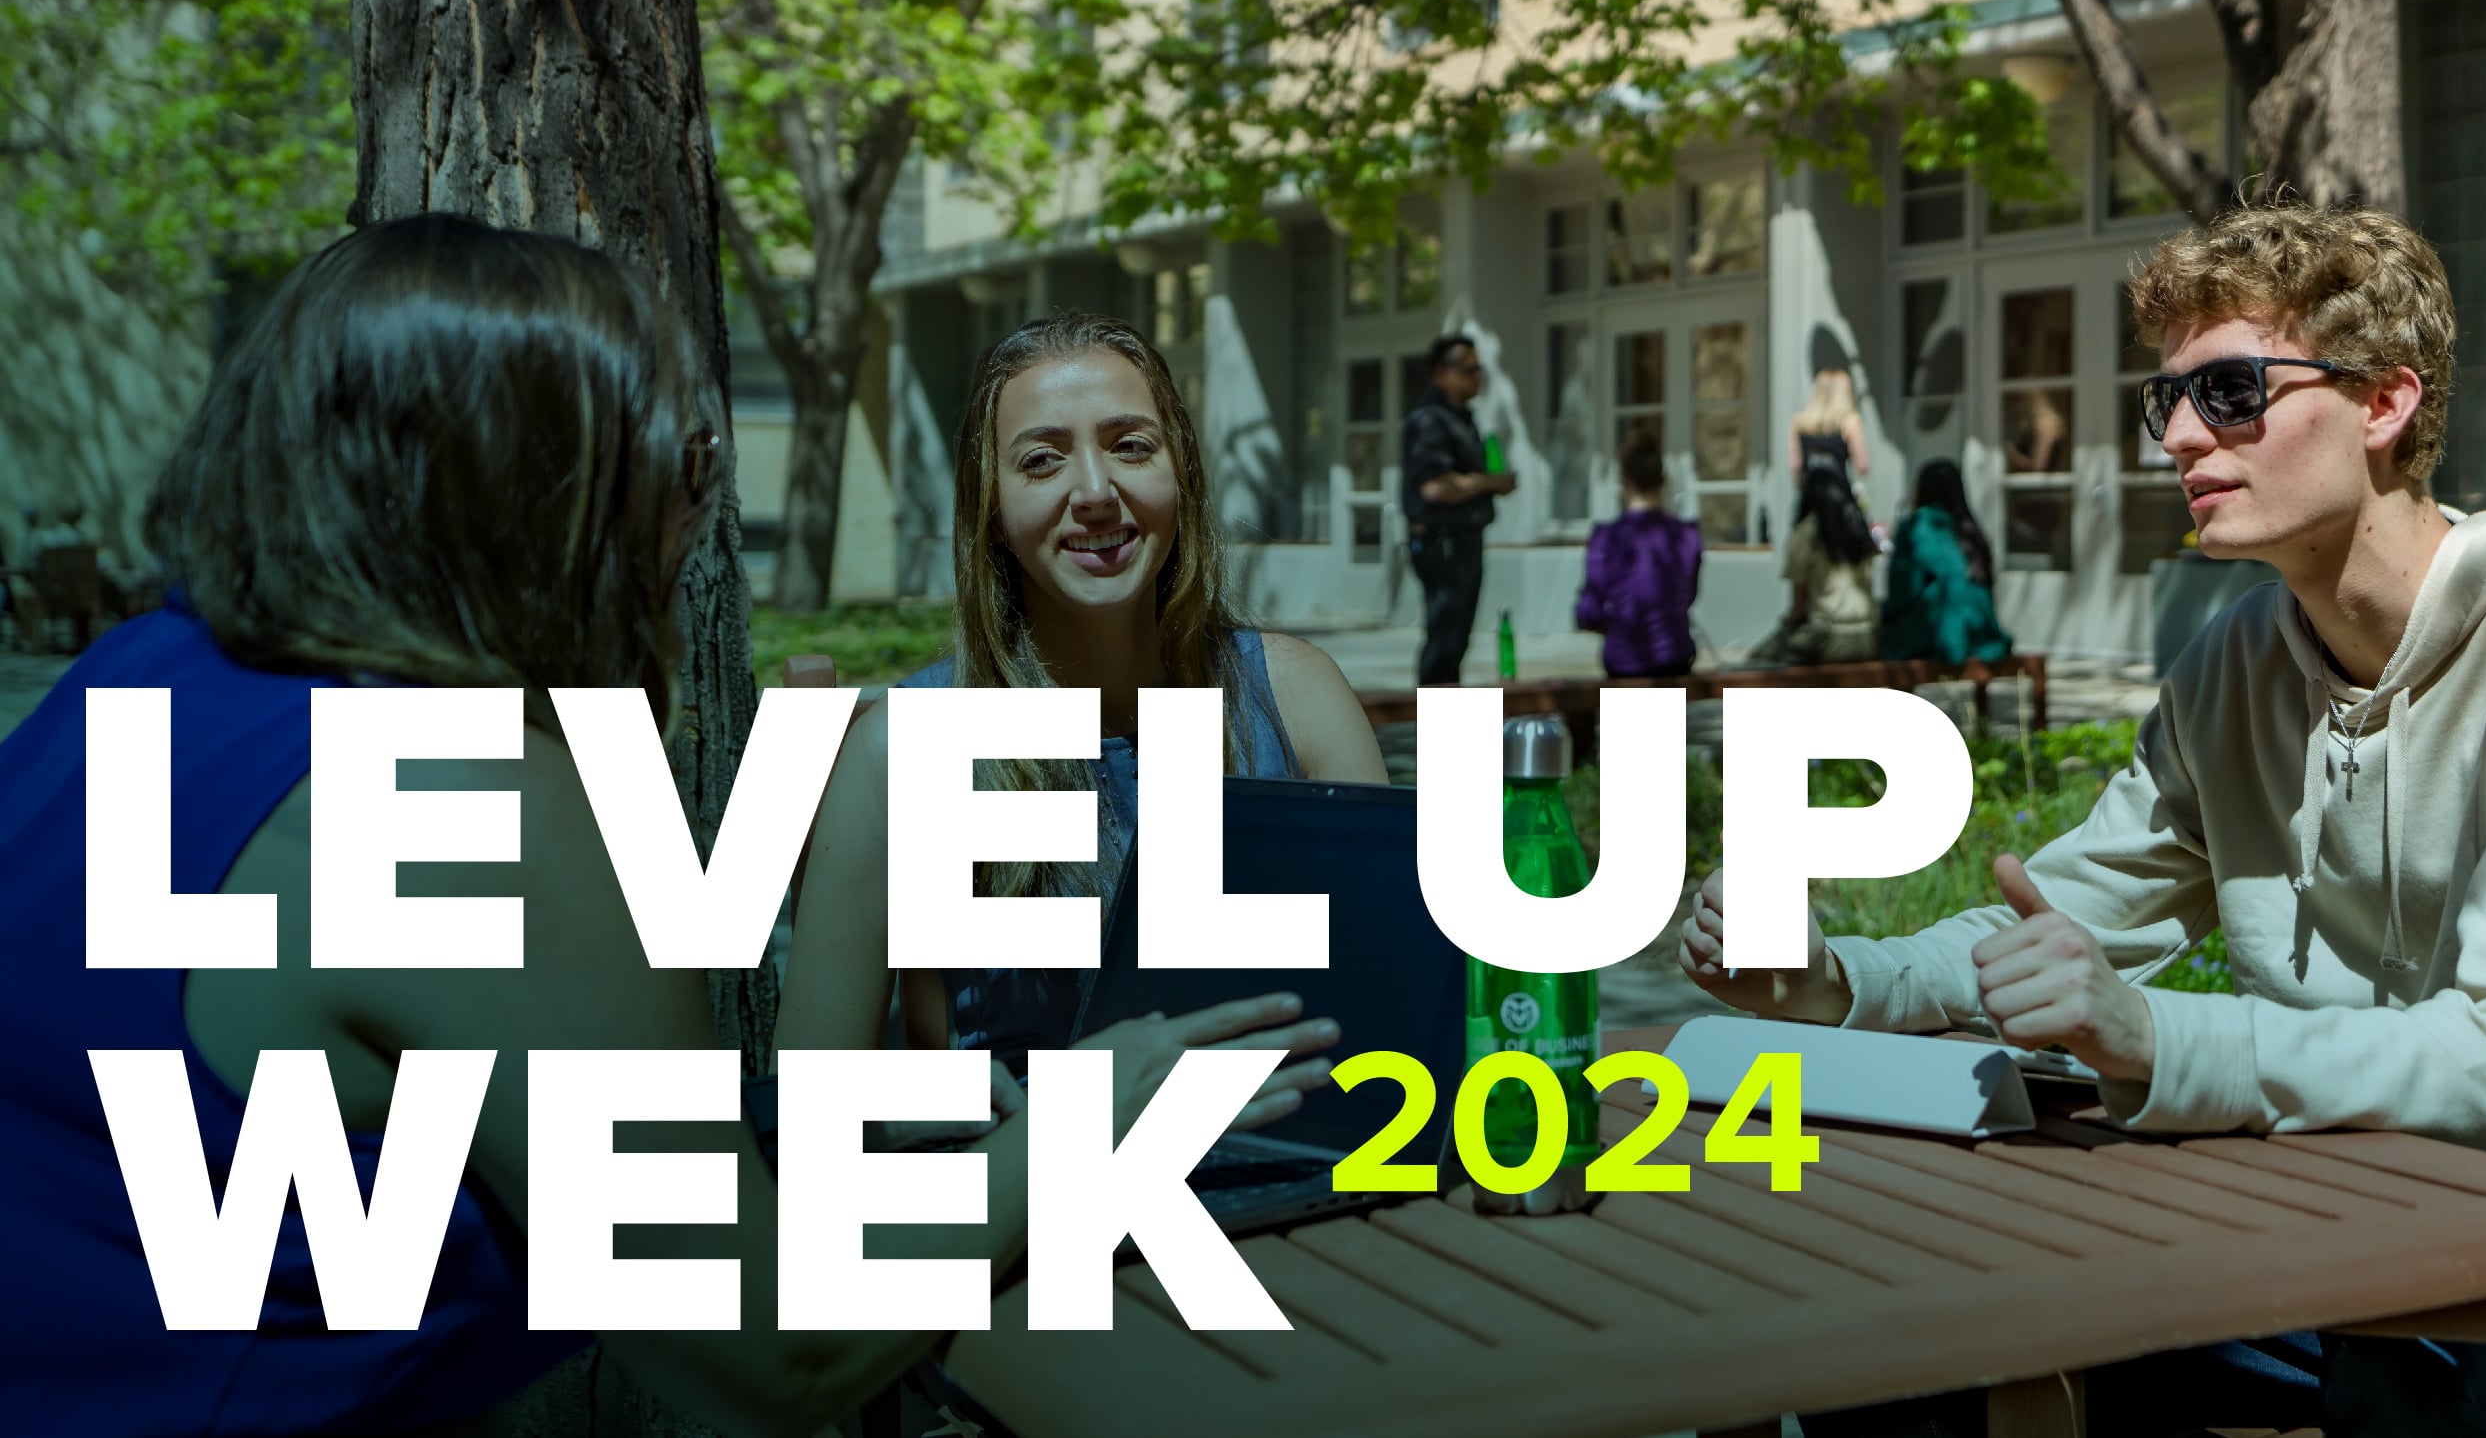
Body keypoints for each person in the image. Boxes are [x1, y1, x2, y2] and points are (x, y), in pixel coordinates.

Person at [0, 215, 1204, 1438]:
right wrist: (1083, 1131)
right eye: (685, 464)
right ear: (545, 494)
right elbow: (778, 1359)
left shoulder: (124, 684)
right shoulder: (458, 812)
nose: (696, 524)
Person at [1678, 202, 2486, 1438]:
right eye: (2161, 400)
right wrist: (1836, 978)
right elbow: (2062, 914)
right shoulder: (2235, 665)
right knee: (1901, 1311)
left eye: (2227, 391)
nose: (2173, 435)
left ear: (2384, 403)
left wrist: (2156, 1037)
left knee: (2420, 1378)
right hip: (2331, 1209)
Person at [774, 311, 1390, 1068]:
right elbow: (810, 1114)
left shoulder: (1298, 699)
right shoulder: (893, 756)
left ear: (1181, 476)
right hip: (1029, 1180)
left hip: (1285, 1166)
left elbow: (1393, 999)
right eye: (1041, 460)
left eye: (1130, 446)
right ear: (990, 509)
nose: (1095, 490)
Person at [1401, 332, 1515, 685]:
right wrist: (1489, 483)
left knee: (1457, 638)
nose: (1476, 377)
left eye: (1478, 369)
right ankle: (1439, 727)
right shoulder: (1430, 420)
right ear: (1441, 374)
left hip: (1463, 538)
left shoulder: (1463, 418)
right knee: (1445, 638)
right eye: (1467, 370)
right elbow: (1434, 487)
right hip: (1443, 541)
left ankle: (1447, 721)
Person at [1573, 436, 1704, 680]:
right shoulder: (1687, 536)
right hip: (1675, 658)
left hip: (1625, 661)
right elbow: (1687, 596)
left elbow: (1587, 613)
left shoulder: (1607, 539)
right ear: (1664, 482)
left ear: (1624, 482)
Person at [1878, 457, 2012, 668]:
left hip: (1941, 637)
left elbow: (1902, 589)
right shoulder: (1970, 531)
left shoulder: (1915, 527)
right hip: (1983, 636)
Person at [1759, 460, 1880, 665]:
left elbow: (1798, 609)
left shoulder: (1806, 534)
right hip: (1869, 635)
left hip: (1827, 637)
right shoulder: (1859, 532)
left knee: (1763, 662)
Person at [1788, 367, 1870, 522]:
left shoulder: (1799, 423)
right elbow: (1862, 466)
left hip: (1810, 503)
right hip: (1839, 499)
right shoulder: (1850, 422)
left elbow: (1794, 466)